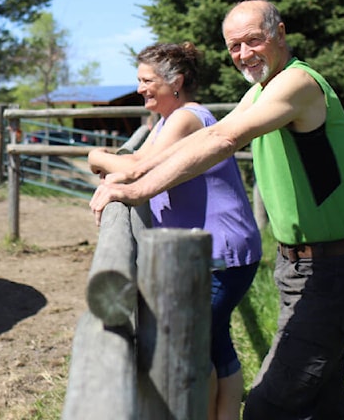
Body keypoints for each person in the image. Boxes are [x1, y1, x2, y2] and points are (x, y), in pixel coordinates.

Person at [90, 0, 344, 420]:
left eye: (253, 41)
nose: (244, 54)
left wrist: (138, 190)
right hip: (298, 266)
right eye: (234, 46)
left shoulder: (298, 83)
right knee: (320, 402)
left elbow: (224, 138)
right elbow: (201, 139)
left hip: (331, 269)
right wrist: (130, 173)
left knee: (268, 406)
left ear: (280, 34)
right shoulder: (261, 91)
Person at [88, 42, 262, 420]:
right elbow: (137, 163)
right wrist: (118, 166)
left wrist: (94, 157)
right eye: (139, 80)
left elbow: (135, 168)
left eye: (147, 80)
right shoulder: (167, 120)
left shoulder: (187, 117)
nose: (140, 88)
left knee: (195, 343)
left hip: (220, 250)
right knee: (214, 341)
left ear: (176, 81)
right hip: (205, 249)